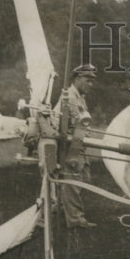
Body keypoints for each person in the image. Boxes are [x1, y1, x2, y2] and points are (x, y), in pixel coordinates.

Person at [53, 64, 97, 228]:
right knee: (74, 181)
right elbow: (61, 125)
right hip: (71, 146)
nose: (91, 84)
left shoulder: (79, 97)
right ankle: (75, 219)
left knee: (83, 178)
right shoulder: (69, 97)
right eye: (88, 80)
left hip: (78, 145)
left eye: (92, 81)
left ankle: (61, 209)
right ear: (77, 78)